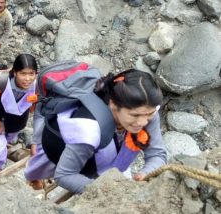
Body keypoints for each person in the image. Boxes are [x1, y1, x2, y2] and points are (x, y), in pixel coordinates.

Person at [24, 69, 167, 194]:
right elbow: (64, 175)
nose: (143, 123)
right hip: (64, 148)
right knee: (38, 170)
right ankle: (32, 180)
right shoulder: (88, 129)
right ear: (113, 104)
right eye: (135, 115)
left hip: (109, 160)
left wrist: (145, 174)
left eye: (149, 114)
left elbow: (157, 154)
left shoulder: (147, 112)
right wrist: (103, 191)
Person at [0, 53, 38, 172]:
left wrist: (35, 141)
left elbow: (39, 109)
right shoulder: (1, 81)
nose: (28, 79)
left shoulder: (37, 86)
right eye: (23, 73)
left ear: (36, 74)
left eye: (31, 73)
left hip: (16, 124)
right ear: (15, 72)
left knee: (4, 143)